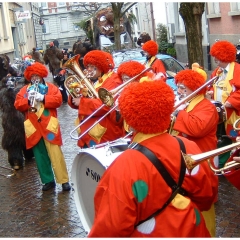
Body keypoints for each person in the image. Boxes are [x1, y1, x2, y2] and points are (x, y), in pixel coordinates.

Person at [88, 78, 218, 237]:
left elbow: (112, 226)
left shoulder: (124, 165)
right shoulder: (188, 146)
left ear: (130, 120)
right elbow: (207, 195)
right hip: (192, 228)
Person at [170, 69, 219, 237]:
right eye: (178, 87)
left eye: (183, 88)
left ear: (194, 88)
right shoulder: (187, 104)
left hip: (201, 160)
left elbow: (196, 129)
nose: (179, 91)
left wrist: (179, 112)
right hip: (183, 159)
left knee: (203, 202)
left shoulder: (207, 107)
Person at [14, 62, 71, 191]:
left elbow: (58, 100)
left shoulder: (51, 87)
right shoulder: (24, 90)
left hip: (49, 126)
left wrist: (43, 98)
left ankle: (64, 181)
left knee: (56, 154)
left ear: (42, 75)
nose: (35, 78)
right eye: (32, 76)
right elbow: (17, 104)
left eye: (37, 75)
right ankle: (48, 180)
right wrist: (28, 100)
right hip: (33, 128)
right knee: (40, 156)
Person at [67, 50, 124, 148]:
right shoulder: (94, 80)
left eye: (92, 66)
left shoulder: (113, 81)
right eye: (87, 66)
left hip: (103, 136)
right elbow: (77, 101)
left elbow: (105, 105)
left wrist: (82, 102)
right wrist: (75, 90)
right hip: (88, 132)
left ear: (100, 66)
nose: (88, 69)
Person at [206, 40, 240, 168]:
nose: (214, 59)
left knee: (233, 139)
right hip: (219, 114)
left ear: (224, 56)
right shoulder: (217, 72)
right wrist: (209, 93)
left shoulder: (238, 70)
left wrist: (231, 102)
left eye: (217, 56)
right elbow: (211, 87)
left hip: (234, 115)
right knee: (221, 138)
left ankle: (232, 164)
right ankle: (223, 164)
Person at [0, 72, 34, 170]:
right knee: (24, 136)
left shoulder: (2, 95)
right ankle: (28, 155)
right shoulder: (19, 91)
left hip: (8, 121)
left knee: (13, 141)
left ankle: (16, 161)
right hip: (20, 118)